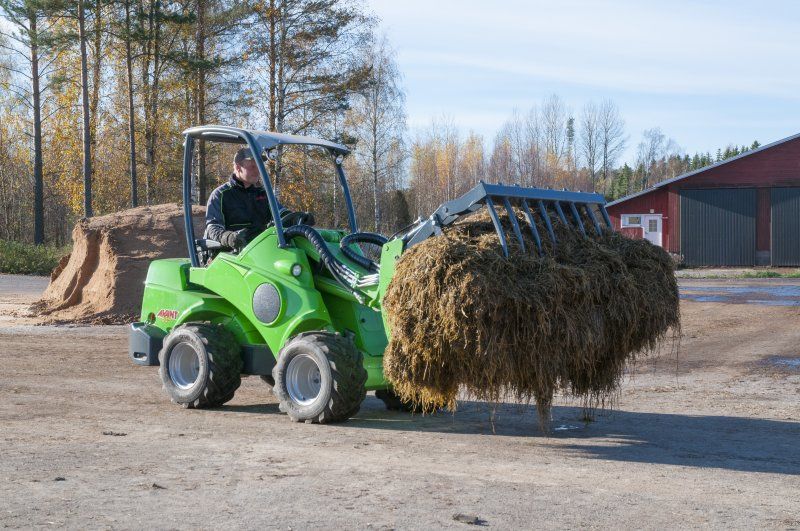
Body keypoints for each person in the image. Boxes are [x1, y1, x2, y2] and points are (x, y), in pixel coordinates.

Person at [205, 147, 293, 250]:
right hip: (231, 254)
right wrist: (229, 237)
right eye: (252, 167)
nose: (257, 171)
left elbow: (280, 214)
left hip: (261, 250)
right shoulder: (220, 195)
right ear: (238, 168)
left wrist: (297, 218)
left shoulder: (264, 193)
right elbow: (213, 227)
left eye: (259, 167)